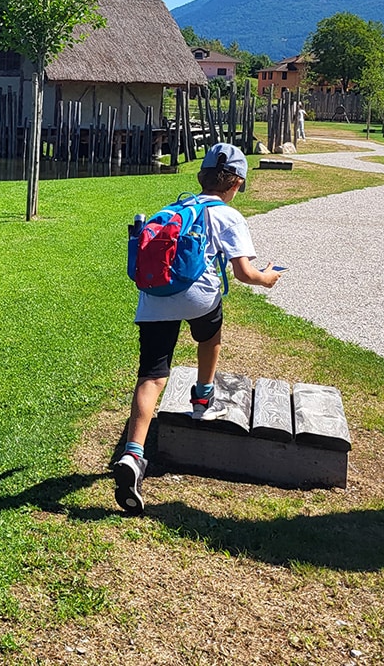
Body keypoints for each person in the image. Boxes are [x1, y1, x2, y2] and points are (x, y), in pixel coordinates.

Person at [111, 142, 284, 514]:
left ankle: (133, 454)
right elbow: (244, 273)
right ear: (235, 182)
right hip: (197, 296)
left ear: (202, 176)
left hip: (154, 295)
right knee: (211, 331)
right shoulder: (228, 216)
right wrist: (268, 278)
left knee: (152, 375)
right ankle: (203, 397)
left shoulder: (172, 208)